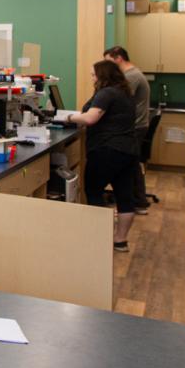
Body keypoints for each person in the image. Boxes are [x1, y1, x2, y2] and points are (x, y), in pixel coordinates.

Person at [70, 59, 141, 252]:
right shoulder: (125, 93)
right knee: (125, 196)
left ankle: (98, 238)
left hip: (107, 150)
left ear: (103, 76)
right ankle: (120, 241)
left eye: (94, 75)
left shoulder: (106, 93)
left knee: (93, 190)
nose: (92, 78)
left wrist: (67, 117)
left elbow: (91, 118)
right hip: (128, 151)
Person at [104, 45, 151, 214]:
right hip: (137, 125)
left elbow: (118, 100)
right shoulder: (133, 74)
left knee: (130, 164)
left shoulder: (131, 77)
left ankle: (138, 201)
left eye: (109, 62)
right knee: (132, 163)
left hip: (135, 126)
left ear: (118, 58)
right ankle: (137, 200)